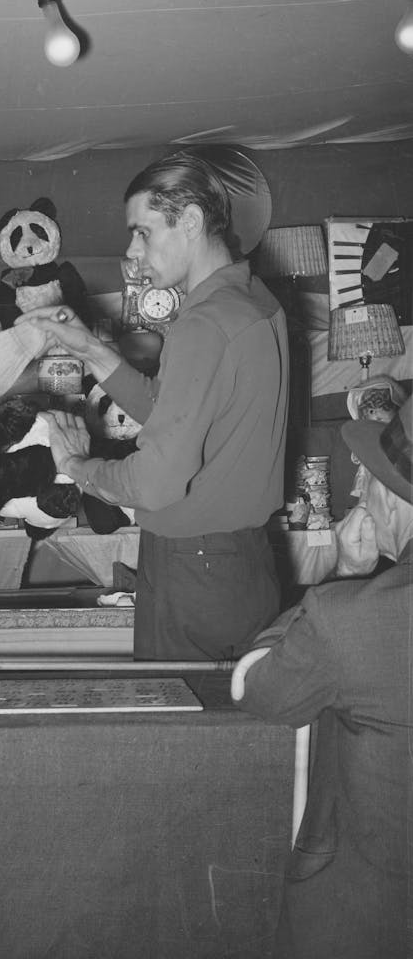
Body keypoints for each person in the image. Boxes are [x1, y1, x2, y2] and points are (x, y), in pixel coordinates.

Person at [16, 151, 288, 660]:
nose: (132, 250)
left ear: (189, 221)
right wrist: (91, 349)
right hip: (244, 560)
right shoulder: (255, 300)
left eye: (143, 231)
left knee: (171, 730)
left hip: (194, 567)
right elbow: (172, 409)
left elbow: (157, 484)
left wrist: (75, 466)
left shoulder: (203, 323)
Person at [230, 395, 413, 959]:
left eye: (373, 479)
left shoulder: (353, 617)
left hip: (365, 916)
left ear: (401, 503)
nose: (359, 491)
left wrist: (341, 576)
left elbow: (254, 688)